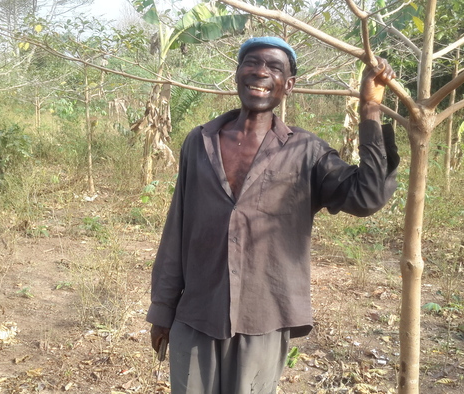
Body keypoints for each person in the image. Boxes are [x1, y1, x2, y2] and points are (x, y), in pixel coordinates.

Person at [146, 36, 399, 394]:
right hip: (196, 313)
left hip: (263, 318)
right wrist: (162, 310)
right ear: (237, 74)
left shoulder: (306, 151)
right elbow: (177, 228)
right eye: (252, 62)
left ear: (289, 85)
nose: (260, 72)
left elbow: (368, 195)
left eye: (274, 67)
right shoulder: (199, 141)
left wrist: (370, 109)